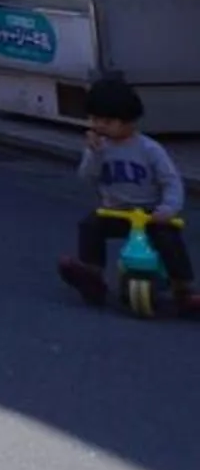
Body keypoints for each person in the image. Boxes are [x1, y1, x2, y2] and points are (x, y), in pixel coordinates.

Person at [58, 78, 195, 309]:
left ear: (129, 121)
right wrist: (95, 154)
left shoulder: (149, 149)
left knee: (168, 238)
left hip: (150, 212)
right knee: (90, 225)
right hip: (117, 211)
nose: (99, 126)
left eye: (107, 121)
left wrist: (167, 209)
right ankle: (92, 275)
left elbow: (171, 181)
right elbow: (87, 177)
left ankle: (183, 288)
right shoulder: (99, 148)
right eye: (94, 120)